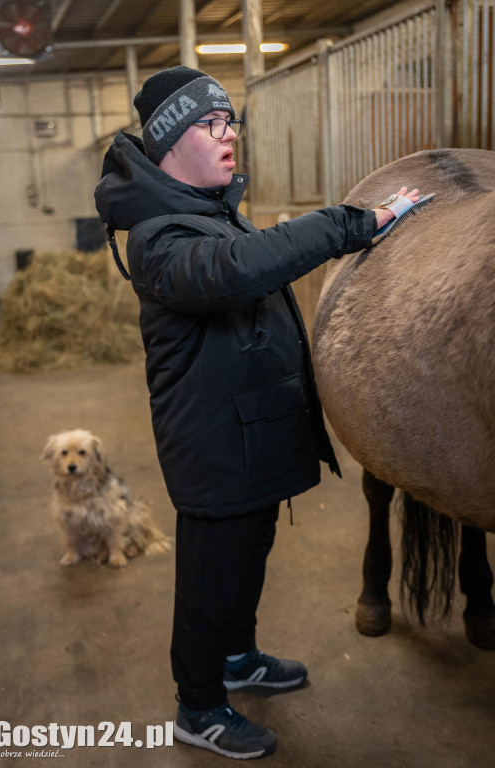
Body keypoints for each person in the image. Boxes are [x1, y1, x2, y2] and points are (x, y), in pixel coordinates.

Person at [94, 65, 419, 760]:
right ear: (171, 141)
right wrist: (354, 223)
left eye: (230, 119)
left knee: (248, 557)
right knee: (213, 573)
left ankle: (236, 658)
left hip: (252, 436)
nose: (228, 134)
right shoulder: (158, 237)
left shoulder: (206, 207)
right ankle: (200, 704)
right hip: (213, 446)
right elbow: (238, 268)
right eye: (210, 124)